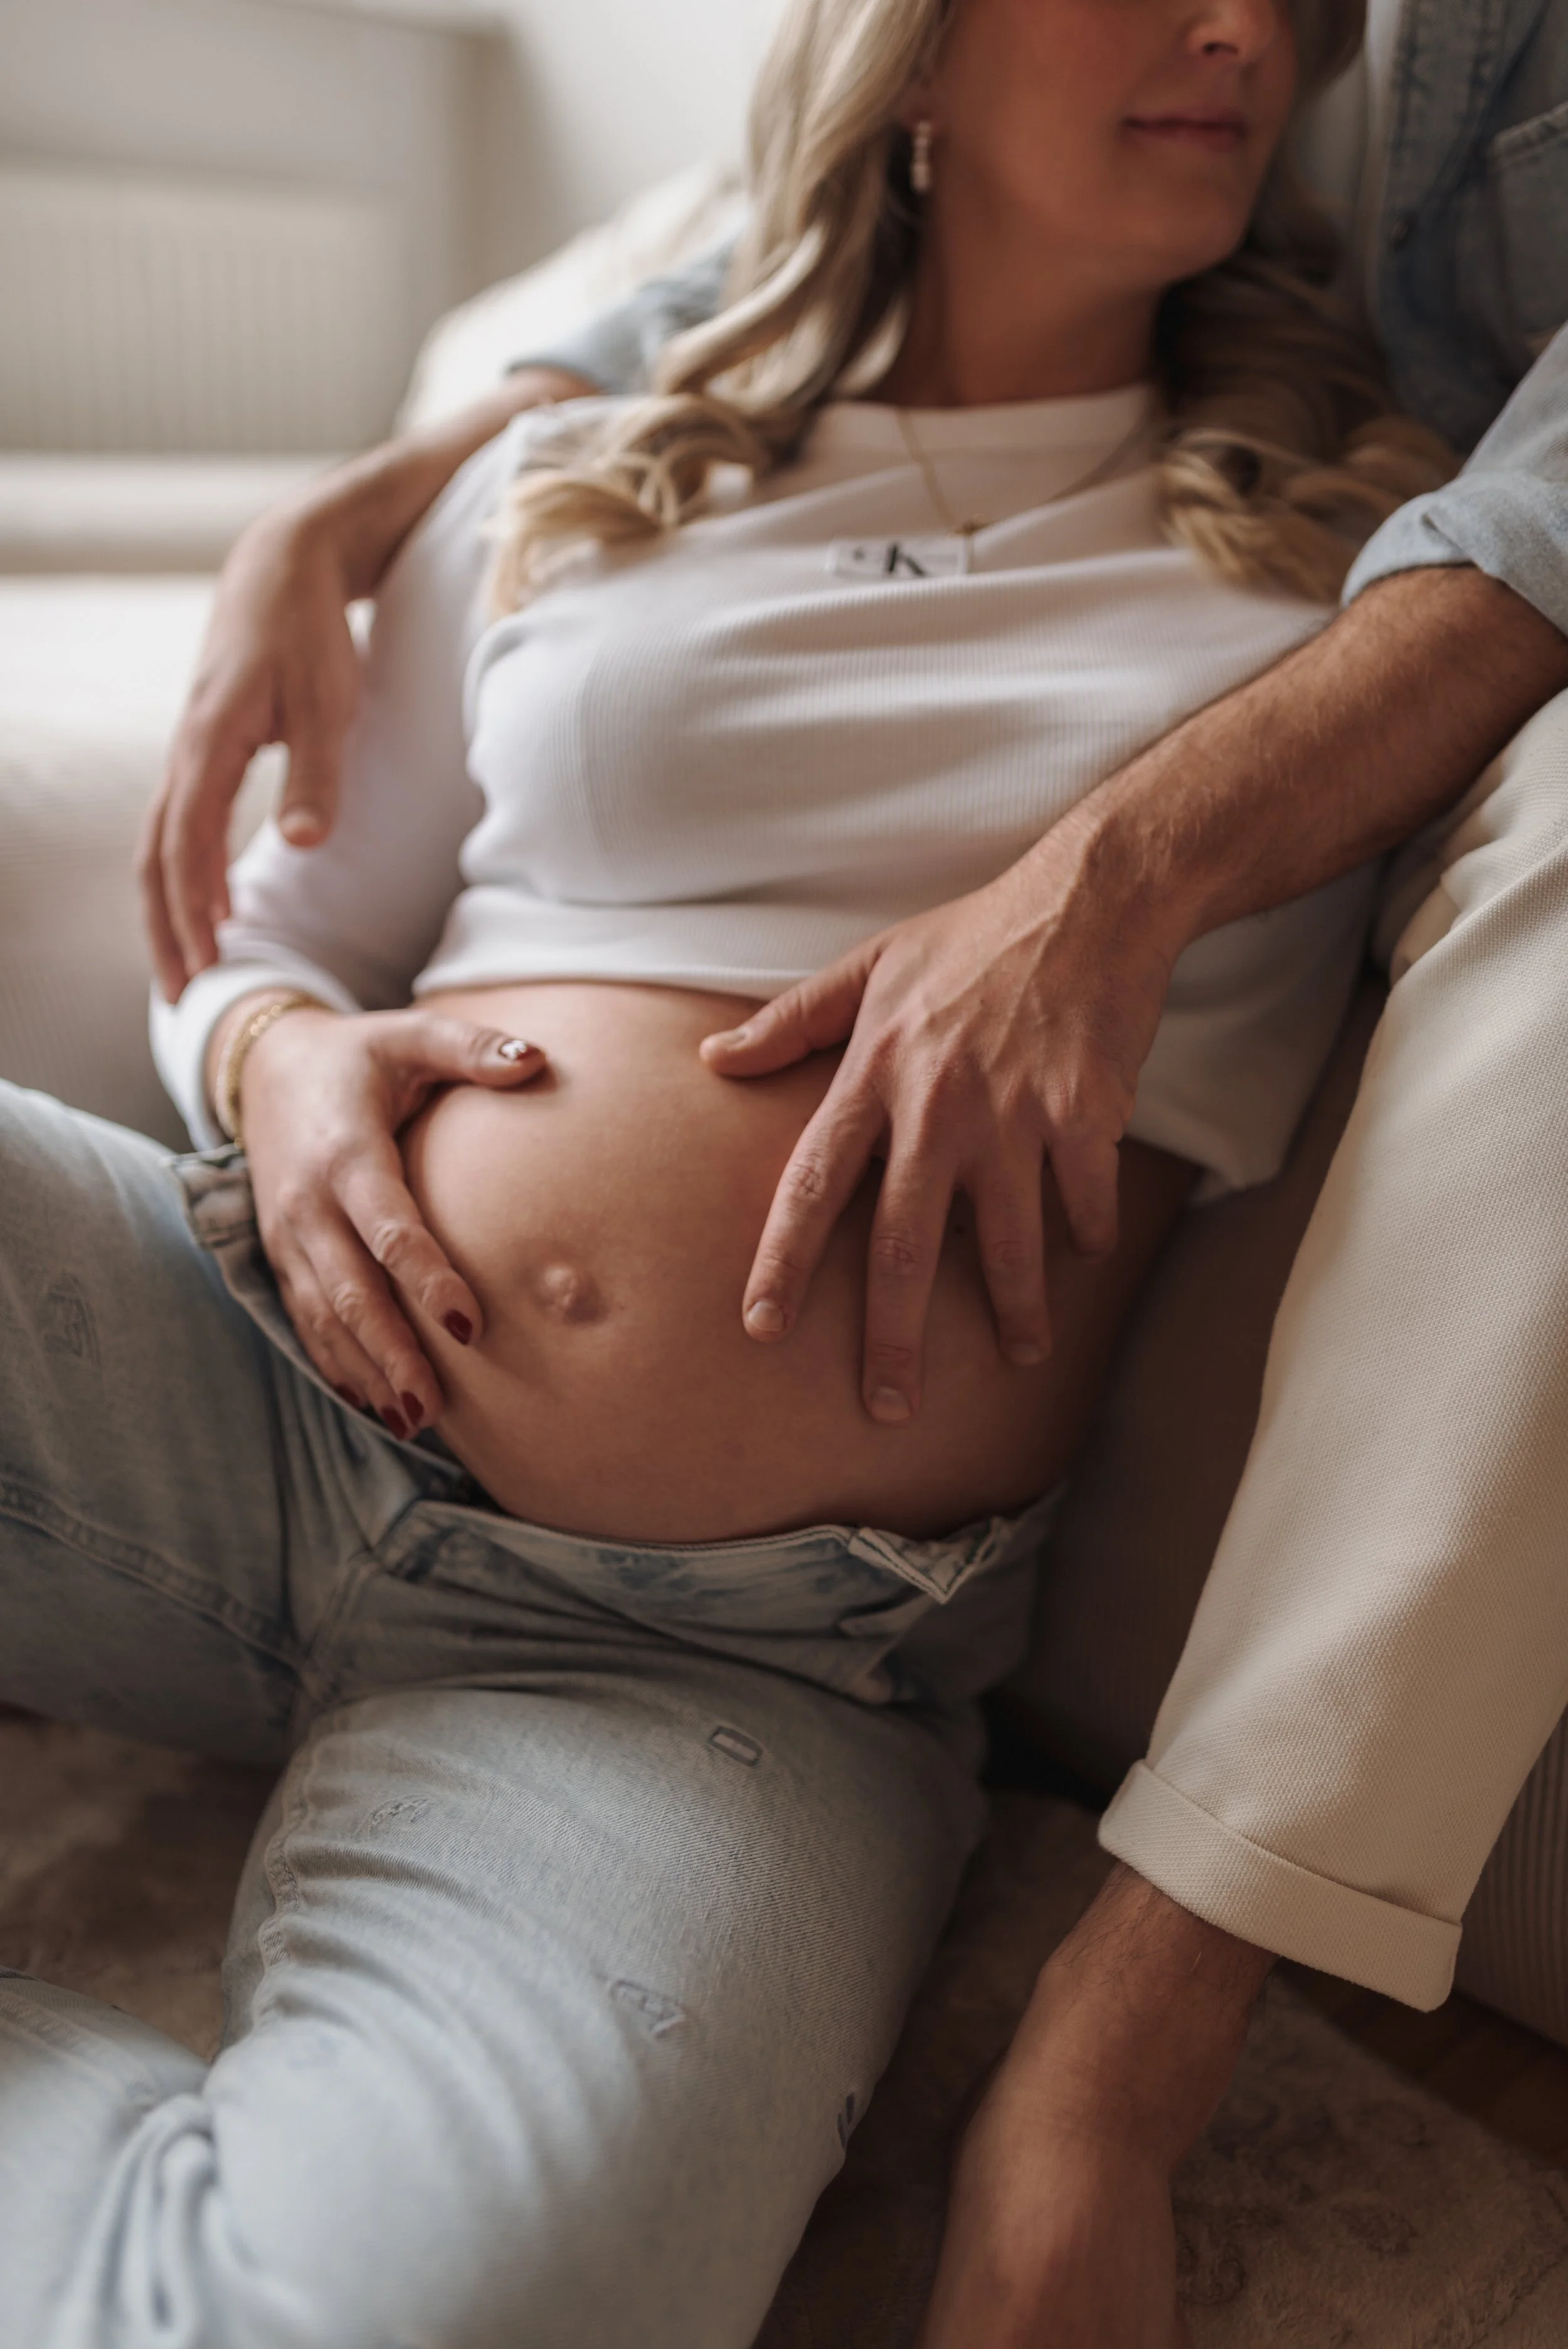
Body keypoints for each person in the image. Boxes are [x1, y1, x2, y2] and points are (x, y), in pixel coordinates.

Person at [0, 2, 1456, 2343]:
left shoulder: (1353, 575)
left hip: (741, 1662)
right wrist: (266, 1061)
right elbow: (273, 922)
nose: (1236, 30)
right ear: (916, 61)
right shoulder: (593, 467)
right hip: (238, 1372)